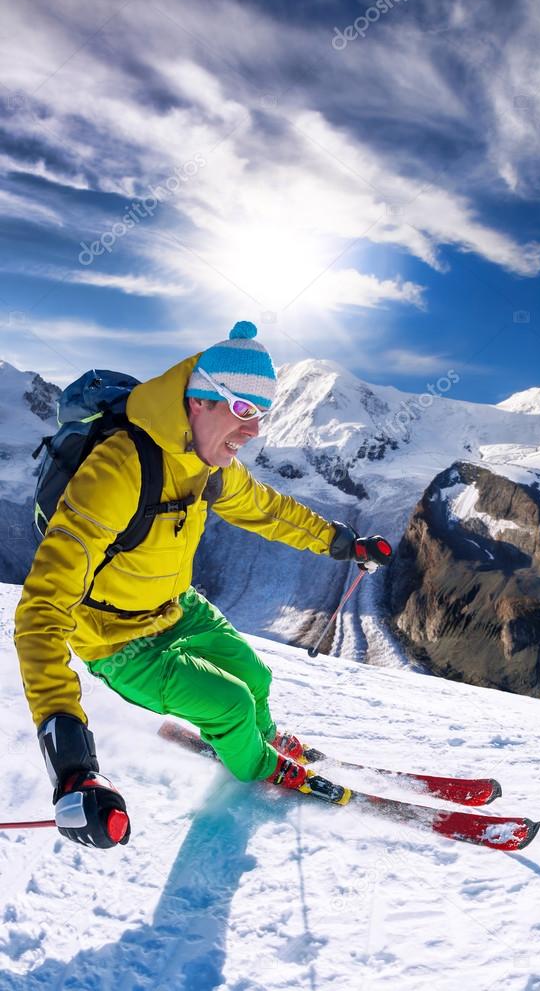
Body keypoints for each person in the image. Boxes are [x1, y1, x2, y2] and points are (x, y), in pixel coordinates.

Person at [14, 321, 392, 849]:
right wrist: (72, 763)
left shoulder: (207, 459)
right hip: (118, 641)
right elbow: (41, 610)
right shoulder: (119, 468)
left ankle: (255, 742)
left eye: (260, 414)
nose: (254, 429)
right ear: (199, 401)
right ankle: (258, 766)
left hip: (176, 607)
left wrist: (343, 543)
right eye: (242, 410)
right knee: (232, 703)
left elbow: (266, 510)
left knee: (255, 679)